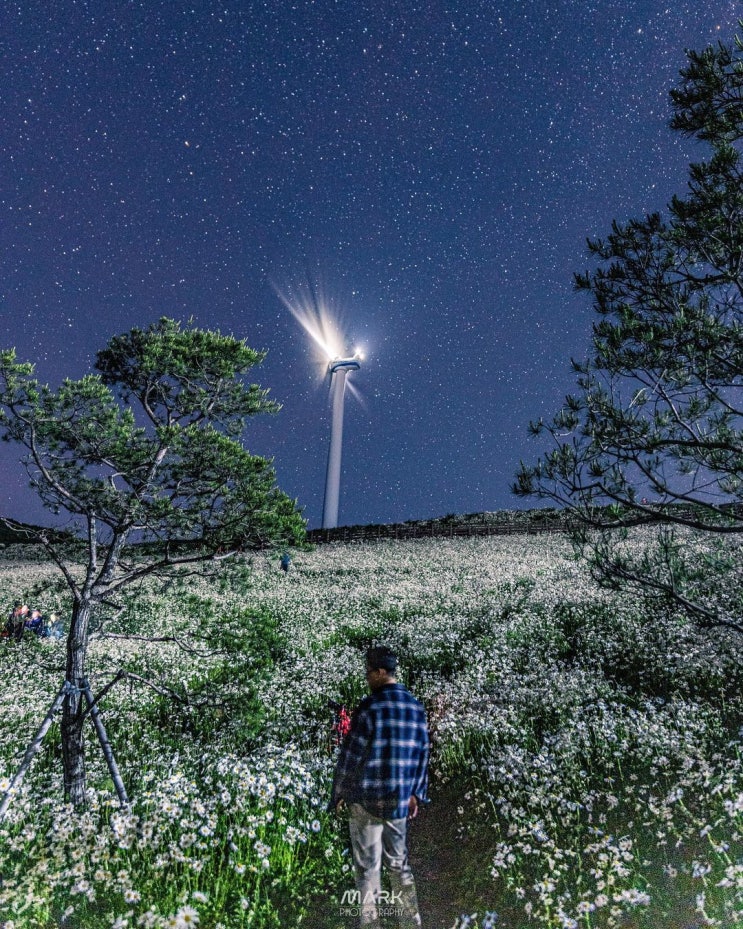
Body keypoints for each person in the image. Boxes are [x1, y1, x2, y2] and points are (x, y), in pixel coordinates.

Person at [330, 645, 429, 928]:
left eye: (369, 673)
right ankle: (411, 923)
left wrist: (338, 793)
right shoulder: (415, 707)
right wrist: (415, 794)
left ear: (381, 672)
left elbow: (350, 756)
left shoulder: (369, 707)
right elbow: (422, 754)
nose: (367, 678)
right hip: (399, 800)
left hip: (366, 800)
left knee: (368, 869)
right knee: (399, 864)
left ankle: (370, 924)